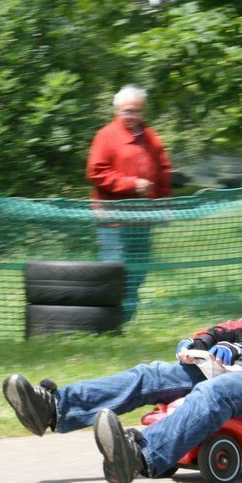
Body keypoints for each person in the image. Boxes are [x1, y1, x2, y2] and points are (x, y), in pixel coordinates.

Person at [2, 208, 242, 483]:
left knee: (217, 391)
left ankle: (140, 455)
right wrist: (205, 340)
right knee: (154, 373)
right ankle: (54, 407)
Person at [86, 85, 172, 324]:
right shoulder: (106, 136)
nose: (132, 116)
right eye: (127, 111)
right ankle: (105, 319)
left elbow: (164, 171)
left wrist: (164, 205)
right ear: (118, 111)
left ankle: (124, 319)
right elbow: (96, 173)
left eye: (137, 111)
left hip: (142, 219)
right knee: (114, 270)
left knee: (138, 271)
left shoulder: (151, 138)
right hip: (114, 220)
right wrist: (131, 184)